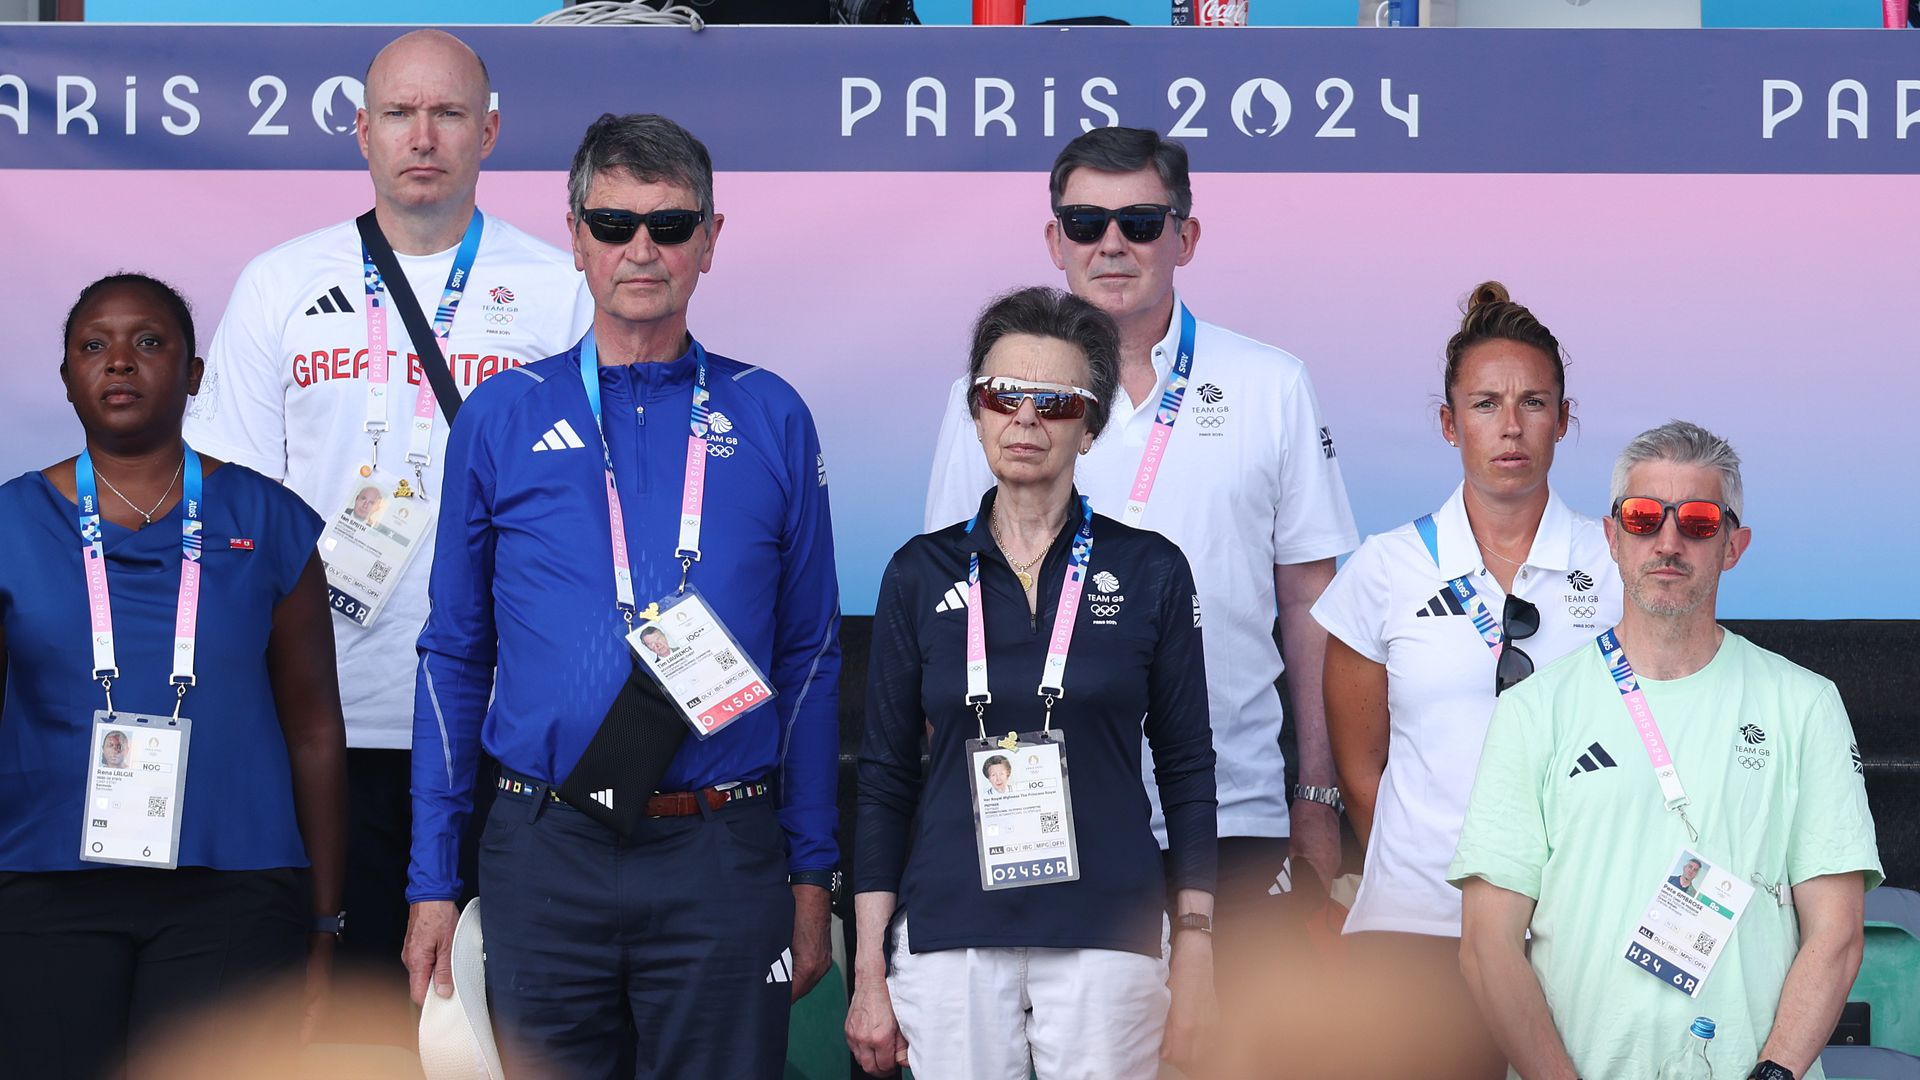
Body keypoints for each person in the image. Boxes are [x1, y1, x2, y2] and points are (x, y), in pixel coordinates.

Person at [404, 113, 842, 1079]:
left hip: (721, 849)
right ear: (573, 235)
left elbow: (811, 654)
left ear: (711, 240)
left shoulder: (771, 412)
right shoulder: (503, 414)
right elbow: (454, 653)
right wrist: (433, 881)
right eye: (612, 224)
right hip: (545, 848)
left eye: (671, 224)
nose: (641, 249)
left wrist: (813, 873)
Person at [182, 29, 593, 998]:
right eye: (400, 114)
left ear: (489, 132)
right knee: (339, 1012)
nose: (424, 136)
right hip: (319, 726)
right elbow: (231, 512)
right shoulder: (280, 284)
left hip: (501, 730)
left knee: (488, 1023)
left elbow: (591, 518)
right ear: (360, 133)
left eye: (448, 113)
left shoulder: (560, 293)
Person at [924, 128, 1356, 964]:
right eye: (1085, 222)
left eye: (1141, 221)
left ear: (1185, 236)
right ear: (1055, 240)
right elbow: (951, 601)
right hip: (1043, 812)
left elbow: (1311, 602)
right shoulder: (988, 397)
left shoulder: (1272, 385)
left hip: (1235, 806)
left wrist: (1315, 791)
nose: (1111, 243)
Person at [851, 286, 1217, 1080]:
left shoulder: (1152, 570)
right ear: (976, 413)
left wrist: (1194, 948)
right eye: (1001, 396)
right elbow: (882, 779)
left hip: (1106, 935)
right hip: (950, 936)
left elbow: (1188, 771)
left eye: (1054, 401)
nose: (1024, 419)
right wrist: (870, 971)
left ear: (1090, 426)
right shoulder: (918, 573)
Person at [1450, 421, 1883, 1080]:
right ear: (1612, 536)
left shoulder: (1805, 705)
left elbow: (1838, 934)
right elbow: (1488, 943)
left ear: (1734, 546)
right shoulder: (1535, 710)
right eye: (1645, 517)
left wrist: (1774, 1074)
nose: (1669, 541)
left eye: (1700, 522)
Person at [0, 274, 348, 1078]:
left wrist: (326, 920)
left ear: (193, 374)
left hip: (232, 888)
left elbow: (315, 731)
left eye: (150, 343)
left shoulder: (267, 517)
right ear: (66, 379)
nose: (120, 362)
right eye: (94, 346)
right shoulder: (13, 522)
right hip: (44, 886)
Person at [1311, 282, 1622, 1076]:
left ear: (1564, 419)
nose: (1510, 427)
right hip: (1417, 920)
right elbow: (1361, 766)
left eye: (1534, 403)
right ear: (1450, 425)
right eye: (1485, 404)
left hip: (1575, 921)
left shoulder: (1616, 563)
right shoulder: (1387, 565)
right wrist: (1443, 865)